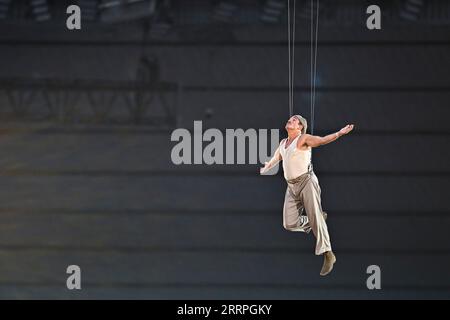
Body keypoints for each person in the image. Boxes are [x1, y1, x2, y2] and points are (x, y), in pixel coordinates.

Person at [260, 115, 354, 276]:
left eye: (295, 119)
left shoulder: (303, 139)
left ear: (300, 127)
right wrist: (266, 167)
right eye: (290, 118)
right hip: (291, 186)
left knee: (316, 216)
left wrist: (339, 133)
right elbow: (277, 157)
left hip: (306, 181)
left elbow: (322, 140)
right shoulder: (284, 143)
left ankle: (328, 253)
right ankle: (313, 220)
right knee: (289, 223)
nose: (291, 120)